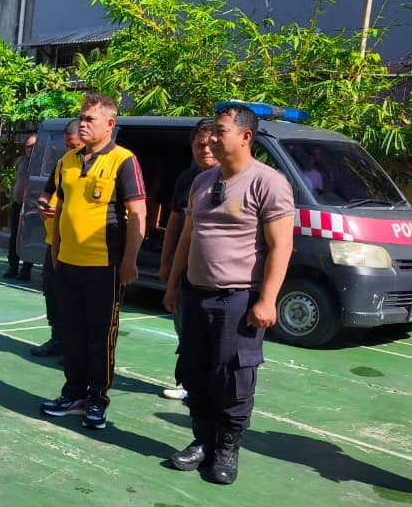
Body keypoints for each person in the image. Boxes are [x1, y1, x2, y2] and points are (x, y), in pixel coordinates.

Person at [163, 104, 294, 485]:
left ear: (245, 137)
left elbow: (281, 246)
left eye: (221, 132)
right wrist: (173, 284)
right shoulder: (202, 182)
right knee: (195, 371)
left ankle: (226, 449)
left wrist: (267, 299)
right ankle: (202, 441)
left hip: (238, 299)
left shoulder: (268, 183)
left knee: (233, 377)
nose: (212, 139)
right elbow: (188, 237)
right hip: (195, 294)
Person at [39, 95, 146, 429]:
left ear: (110, 124)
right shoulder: (67, 161)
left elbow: (138, 212)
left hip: (104, 265)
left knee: (100, 337)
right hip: (67, 262)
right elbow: (56, 203)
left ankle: (97, 399)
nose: (83, 124)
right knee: (71, 333)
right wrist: (55, 249)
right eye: (81, 118)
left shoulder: (123, 160)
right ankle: (73, 394)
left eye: (90, 119)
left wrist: (129, 261)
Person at [158, 119, 217, 401]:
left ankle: (210, 388)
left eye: (210, 144)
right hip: (186, 269)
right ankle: (187, 383)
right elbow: (175, 223)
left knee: (215, 336)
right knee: (185, 328)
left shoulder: (238, 179)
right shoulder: (188, 179)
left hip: (219, 275)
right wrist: (166, 263)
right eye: (199, 145)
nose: (205, 150)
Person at [30, 119, 82, 358]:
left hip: (76, 245)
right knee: (52, 293)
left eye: (74, 145)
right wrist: (43, 206)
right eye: (67, 145)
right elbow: (46, 193)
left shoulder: (96, 165)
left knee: (73, 299)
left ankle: (74, 346)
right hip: (53, 242)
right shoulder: (63, 164)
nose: (70, 150)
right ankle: (57, 338)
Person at [4, 135, 36, 280]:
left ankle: (26, 269)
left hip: (32, 206)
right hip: (17, 204)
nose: (31, 149)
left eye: (33, 146)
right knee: (15, 236)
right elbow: (18, 179)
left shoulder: (42, 162)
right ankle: (13, 266)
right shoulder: (21, 160)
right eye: (28, 146)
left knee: (29, 236)